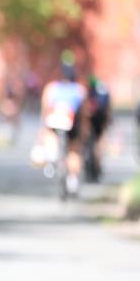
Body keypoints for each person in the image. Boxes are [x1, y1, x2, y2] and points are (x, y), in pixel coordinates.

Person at [39, 55, 87, 195]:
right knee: (74, 150)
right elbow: (83, 112)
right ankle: (73, 179)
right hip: (72, 123)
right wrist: (83, 129)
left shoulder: (51, 88)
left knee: (50, 136)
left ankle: (52, 156)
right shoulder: (79, 90)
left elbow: (45, 110)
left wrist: (43, 130)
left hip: (54, 122)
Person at [85, 75, 112, 181]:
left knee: (91, 140)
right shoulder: (104, 92)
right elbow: (108, 108)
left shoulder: (89, 92)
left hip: (92, 118)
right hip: (100, 118)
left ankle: (94, 158)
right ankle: (98, 160)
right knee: (100, 140)